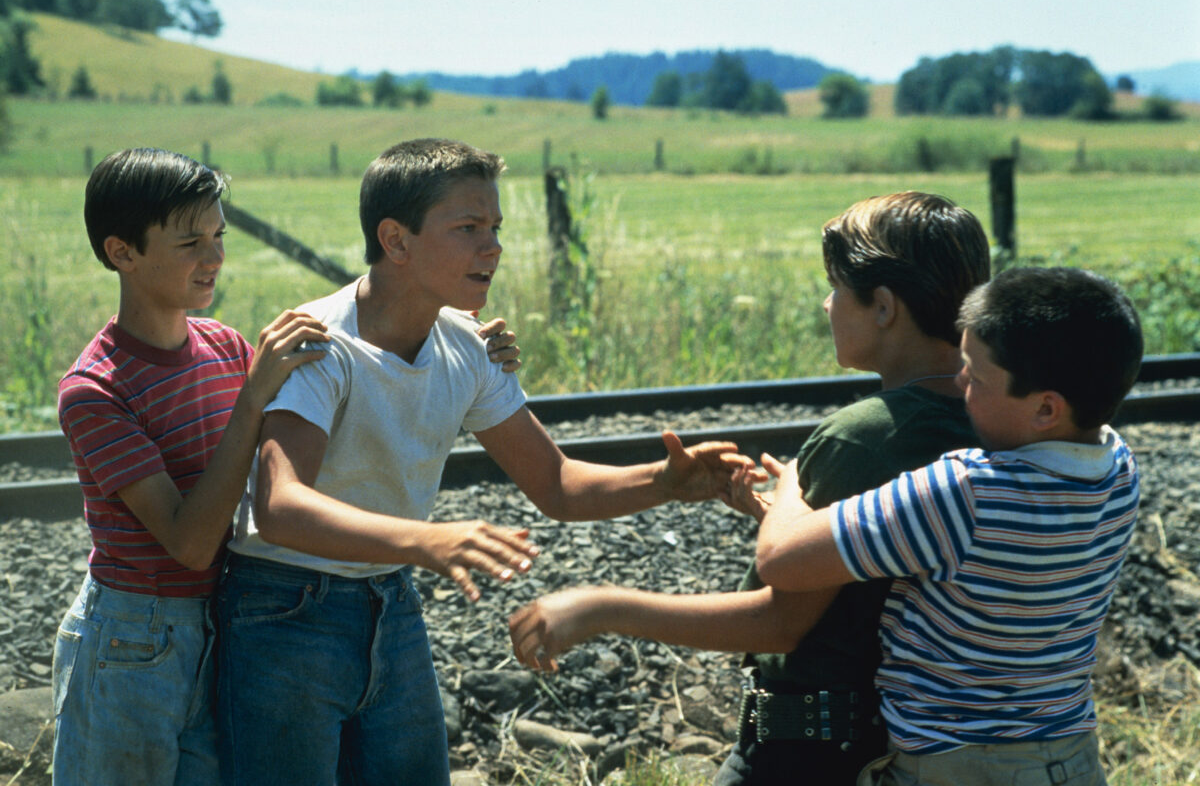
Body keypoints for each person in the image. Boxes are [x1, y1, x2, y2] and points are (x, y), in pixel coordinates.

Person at [215, 137, 752, 786]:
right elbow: (279, 507)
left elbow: (555, 484)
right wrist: (427, 539)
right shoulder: (322, 345)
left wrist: (664, 481)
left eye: (495, 227)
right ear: (396, 240)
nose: (492, 247)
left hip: (389, 596)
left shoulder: (467, 346)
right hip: (284, 610)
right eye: (467, 228)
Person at [51, 147, 521, 786]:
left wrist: (461, 330)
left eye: (218, 236)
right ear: (121, 252)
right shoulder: (96, 390)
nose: (214, 257)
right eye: (191, 242)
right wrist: (253, 397)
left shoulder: (223, 345)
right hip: (134, 637)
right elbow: (190, 542)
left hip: (218, 622)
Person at [508, 191, 992, 784]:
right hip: (887, 741)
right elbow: (884, 556)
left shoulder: (863, 437)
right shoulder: (985, 417)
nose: (826, 302)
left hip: (808, 750)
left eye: (837, 287)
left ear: (885, 307)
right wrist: (778, 517)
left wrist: (600, 608)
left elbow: (779, 623)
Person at [753, 266, 1143, 786]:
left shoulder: (965, 492)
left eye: (976, 377)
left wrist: (792, 484)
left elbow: (779, 558)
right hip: (1068, 757)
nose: (960, 385)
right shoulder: (1118, 469)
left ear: (1047, 408)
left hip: (956, 766)